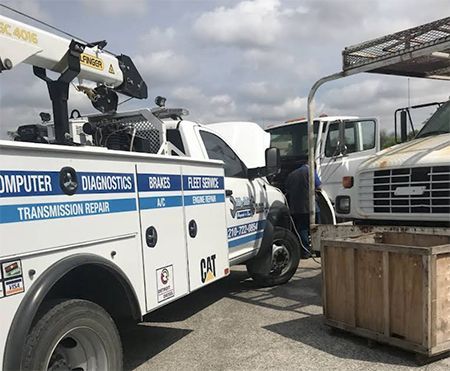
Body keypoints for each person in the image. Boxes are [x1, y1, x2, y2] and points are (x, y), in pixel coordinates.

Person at [285, 159, 321, 257]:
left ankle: (305, 251)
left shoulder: (291, 175)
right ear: (313, 166)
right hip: (311, 206)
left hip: (296, 207)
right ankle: (318, 250)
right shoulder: (311, 172)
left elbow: (287, 189)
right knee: (317, 227)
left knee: (302, 229)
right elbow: (318, 186)